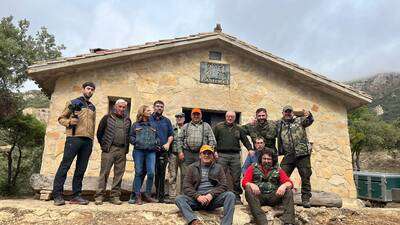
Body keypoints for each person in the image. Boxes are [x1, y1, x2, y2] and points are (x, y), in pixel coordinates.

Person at [53, 81, 96, 206]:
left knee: (81, 169)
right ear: (83, 89)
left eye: (92, 90)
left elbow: (93, 125)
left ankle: (76, 195)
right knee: (65, 166)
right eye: (88, 88)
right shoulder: (73, 102)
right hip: (74, 138)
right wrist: (69, 122)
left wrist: (92, 140)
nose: (90, 91)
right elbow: (61, 118)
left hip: (87, 141)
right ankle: (57, 195)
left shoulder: (93, 107)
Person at [175, 145, 235, 225]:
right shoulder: (192, 168)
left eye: (209, 153)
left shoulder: (218, 168)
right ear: (200, 155)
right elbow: (186, 186)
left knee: (230, 195)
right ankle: (194, 221)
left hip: (212, 200)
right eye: (204, 153)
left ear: (213, 156)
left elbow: (224, 185)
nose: (206, 155)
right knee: (179, 198)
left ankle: (226, 223)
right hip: (196, 201)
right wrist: (197, 196)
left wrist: (211, 194)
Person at [242, 148, 295, 225]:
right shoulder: (252, 167)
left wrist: (284, 185)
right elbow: (244, 182)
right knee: (248, 188)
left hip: (273, 197)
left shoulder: (278, 169)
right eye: (264, 158)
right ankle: (262, 222)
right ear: (261, 159)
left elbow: (289, 183)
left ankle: (289, 221)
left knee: (288, 189)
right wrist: (251, 184)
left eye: (269, 159)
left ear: (272, 160)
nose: (266, 161)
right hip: (258, 197)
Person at [94, 99, 131, 205]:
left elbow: (128, 135)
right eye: (120, 107)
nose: (122, 109)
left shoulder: (128, 120)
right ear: (115, 107)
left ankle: (114, 196)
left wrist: (126, 149)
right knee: (104, 173)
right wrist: (104, 146)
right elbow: (99, 133)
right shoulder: (107, 118)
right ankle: (99, 196)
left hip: (122, 150)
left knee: (119, 174)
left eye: (124, 107)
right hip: (109, 149)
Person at [277, 105, 314, 208]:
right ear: (283, 113)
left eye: (289, 112)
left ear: (292, 113)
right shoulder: (280, 124)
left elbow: (310, 120)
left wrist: (308, 114)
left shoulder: (299, 120)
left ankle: (305, 199)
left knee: (305, 176)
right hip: (289, 154)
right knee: (281, 175)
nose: (288, 114)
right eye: (286, 112)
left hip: (302, 153)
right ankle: (279, 199)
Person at [213, 111, 253, 204]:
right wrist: (214, 151)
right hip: (221, 155)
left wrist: (250, 149)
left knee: (236, 176)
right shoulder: (218, 127)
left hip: (235, 155)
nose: (230, 118)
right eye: (228, 116)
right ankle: (218, 195)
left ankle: (236, 196)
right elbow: (213, 140)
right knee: (219, 175)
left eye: (232, 117)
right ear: (225, 117)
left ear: (234, 118)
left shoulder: (239, 128)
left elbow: (245, 140)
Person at [129, 105, 159, 205]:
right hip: (139, 151)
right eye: (148, 110)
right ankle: (137, 195)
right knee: (138, 172)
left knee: (151, 173)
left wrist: (156, 143)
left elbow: (157, 137)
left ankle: (147, 194)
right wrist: (136, 142)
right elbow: (131, 137)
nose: (150, 112)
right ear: (142, 112)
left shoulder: (153, 125)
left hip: (151, 152)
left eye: (150, 110)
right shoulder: (136, 125)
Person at [177, 108, 216, 182]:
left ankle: (198, 193)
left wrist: (210, 153)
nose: (196, 116)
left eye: (198, 114)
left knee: (200, 174)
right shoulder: (186, 126)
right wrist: (180, 152)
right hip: (187, 154)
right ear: (191, 116)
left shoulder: (206, 126)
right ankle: (185, 193)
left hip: (202, 154)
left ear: (201, 115)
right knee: (185, 174)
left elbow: (212, 140)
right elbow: (179, 139)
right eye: (194, 114)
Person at [149, 100, 174, 203]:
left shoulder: (167, 121)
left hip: (163, 150)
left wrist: (168, 144)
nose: (159, 108)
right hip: (151, 150)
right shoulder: (149, 119)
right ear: (154, 107)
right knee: (151, 172)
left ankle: (161, 197)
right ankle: (149, 195)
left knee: (161, 173)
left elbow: (171, 135)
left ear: (163, 109)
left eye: (161, 107)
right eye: (157, 106)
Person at [165, 112, 185, 204]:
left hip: (184, 154)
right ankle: (172, 196)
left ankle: (183, 195)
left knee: (185, 175)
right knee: (172, 175)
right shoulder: (172, 128)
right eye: (177, 117)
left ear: (184, 118)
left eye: (181, 117)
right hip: (173, 154)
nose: (179, 118)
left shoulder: (187, 128)